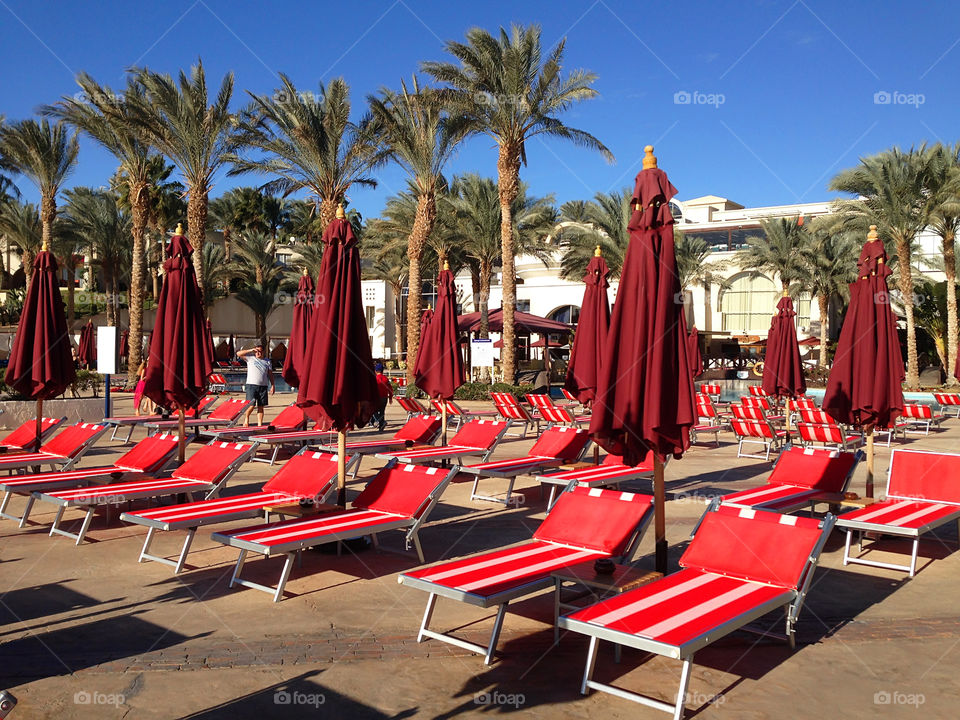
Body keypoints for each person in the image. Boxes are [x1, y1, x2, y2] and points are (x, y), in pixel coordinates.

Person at [237, 344, 275, 426]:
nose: (258, 353)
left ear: (263, 352)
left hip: (263, 386)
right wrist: (251, 350)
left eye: (260, 351)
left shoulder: (267, 361)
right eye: (257, 351)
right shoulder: (250, 358)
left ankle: (260, 424)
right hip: (251, 385)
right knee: (251, 405)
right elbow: (238, 354)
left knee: (261, 406)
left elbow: (270, 374)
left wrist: (273, 385)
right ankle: (246, 419)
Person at [371, 367, 394, 432]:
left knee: (373, 411)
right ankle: (381, 427)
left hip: (376, 398)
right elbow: (390, 389)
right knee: (382, 412)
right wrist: (390, 398)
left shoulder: (374, 378)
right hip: (384, 398)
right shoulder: (386, 378)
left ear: (375, 370)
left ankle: (381, 421)